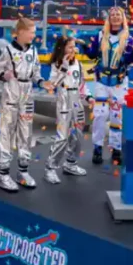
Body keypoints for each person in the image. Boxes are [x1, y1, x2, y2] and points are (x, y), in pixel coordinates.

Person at [84, 6, 133, 165]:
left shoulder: (129, 38)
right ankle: (97, 148)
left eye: (118, 14)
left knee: (116, 116)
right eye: (112, 14)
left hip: (119, 83)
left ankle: (116, 149)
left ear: (123, 17)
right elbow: (92, 55)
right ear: (109, 18)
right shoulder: (100, 35)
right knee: (99, 115)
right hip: (101, 82)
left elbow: (131, 60)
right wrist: (84, 46)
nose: (115, 17)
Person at [0, 18, 42, 192]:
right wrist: (4, 75)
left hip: (27, 96)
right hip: (11, 94)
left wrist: (42, 82)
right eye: (31, 32)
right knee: (6, 132)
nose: (34, 35)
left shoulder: (34, 51)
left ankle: (23, 171)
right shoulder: (8, 50)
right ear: (20, 32)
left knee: (26, 133)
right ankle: (3, 174)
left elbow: (36, 73)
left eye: (34, 32)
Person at [44, 35, 91, 184]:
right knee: (62, 136)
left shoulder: (77, 63)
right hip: (64, 98)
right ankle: (50, 168)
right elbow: (52, 84)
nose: (73, 49)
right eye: (70, 47)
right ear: (62, 48)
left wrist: (88, 97)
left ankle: (71, 163)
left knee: (77, 134)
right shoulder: (57, 65)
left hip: (76, 98)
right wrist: (63, 66)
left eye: (74, 46)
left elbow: (82, 83)